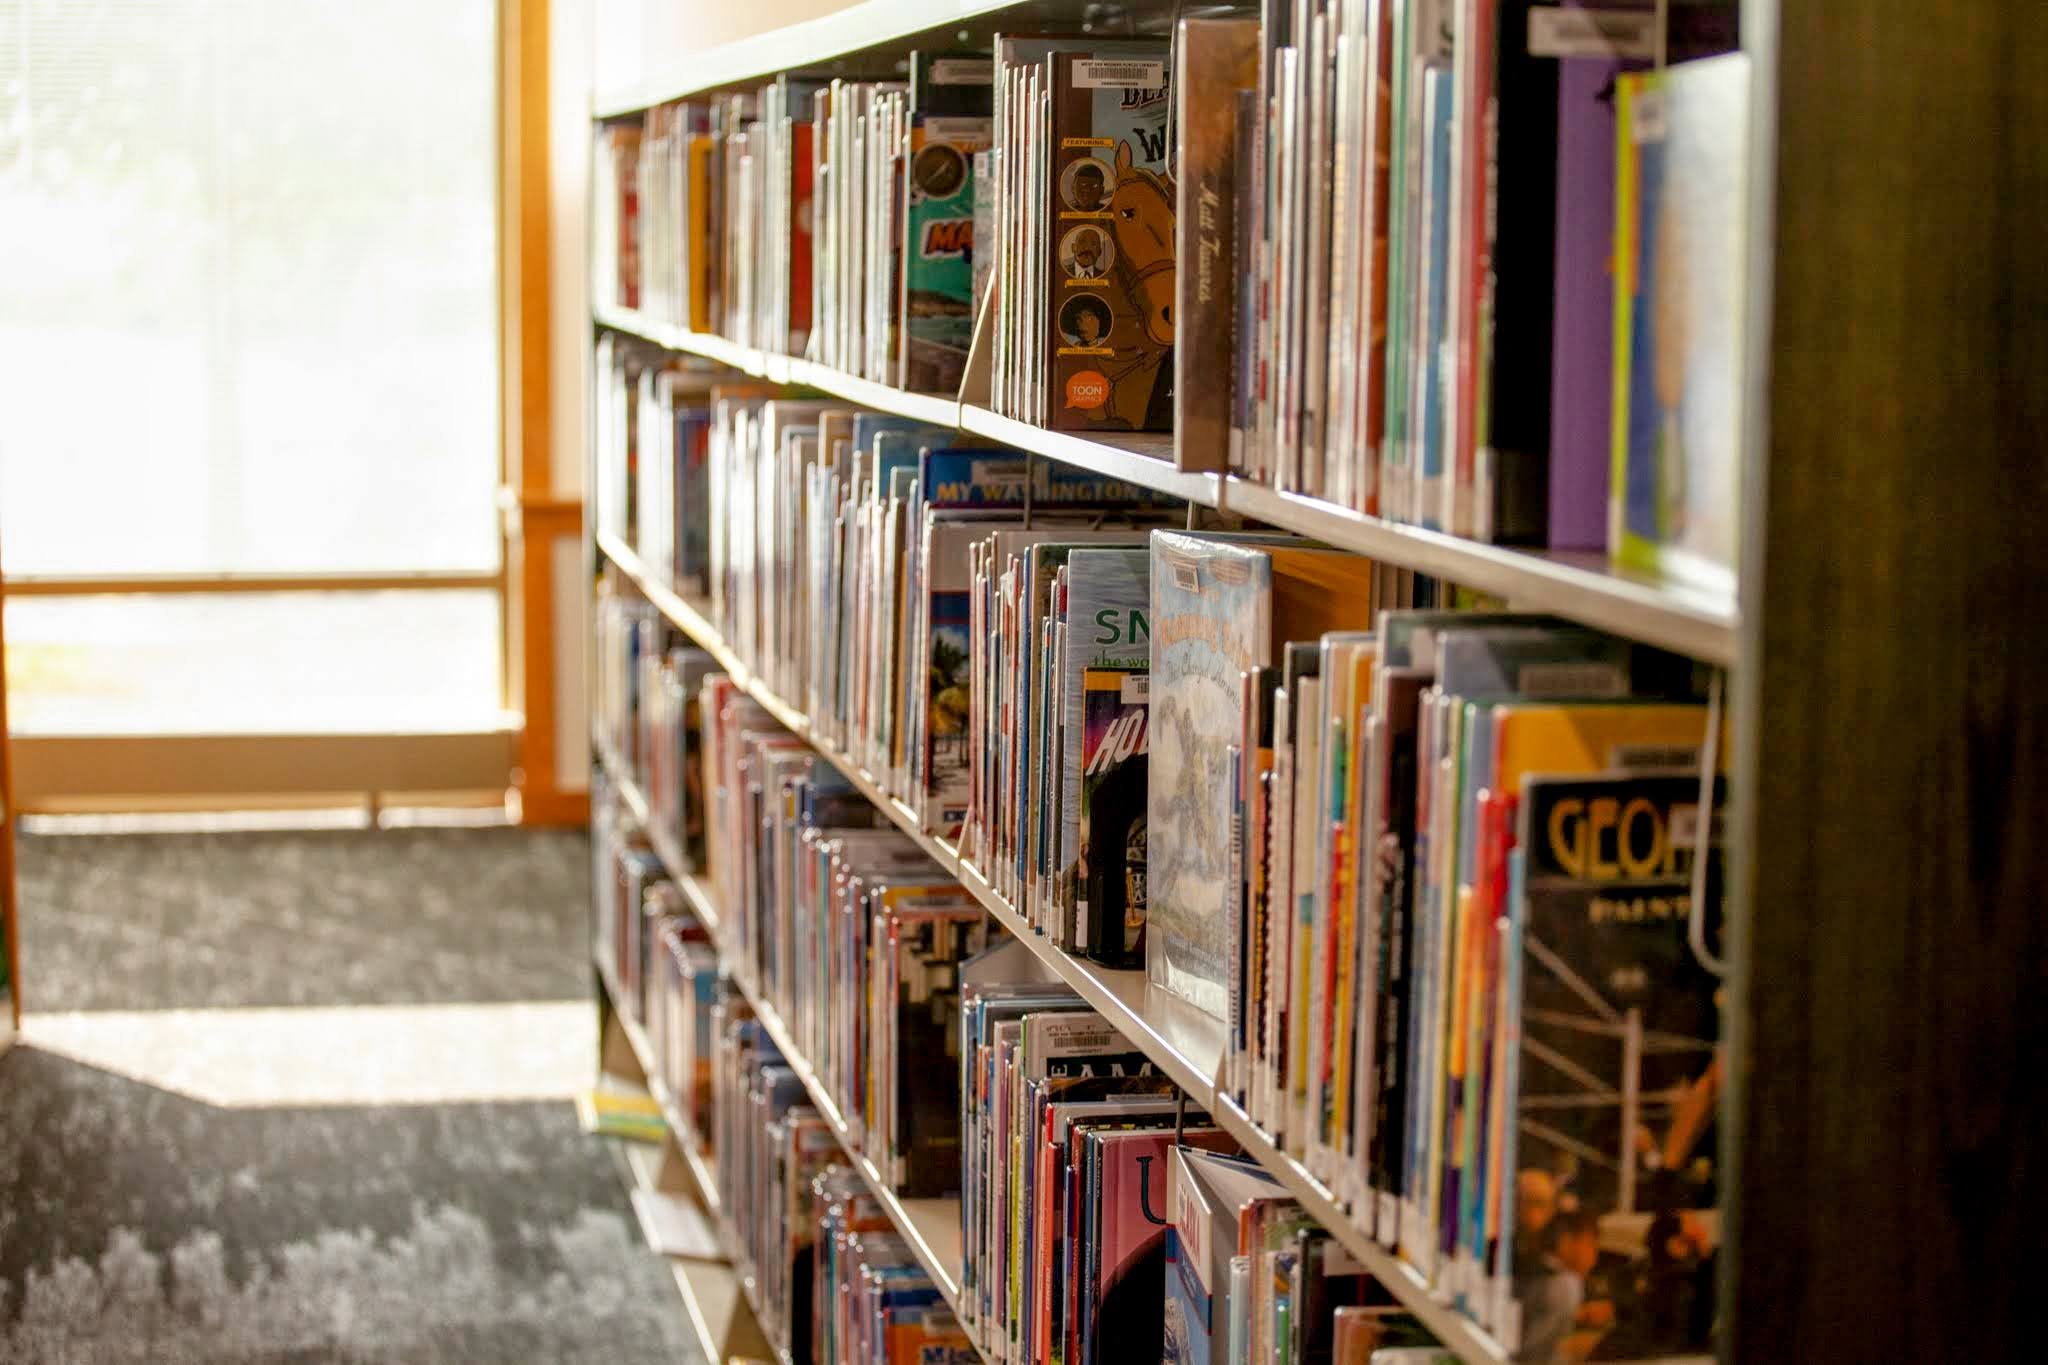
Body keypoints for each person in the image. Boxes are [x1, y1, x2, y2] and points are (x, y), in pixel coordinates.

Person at [1515, 1207, 1604, 1364]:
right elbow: (1535, 1353)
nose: (1594, 1258)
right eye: (1590, 1245)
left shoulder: (1531, 1272)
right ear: (1566, 1240)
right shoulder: (1567, 1285)